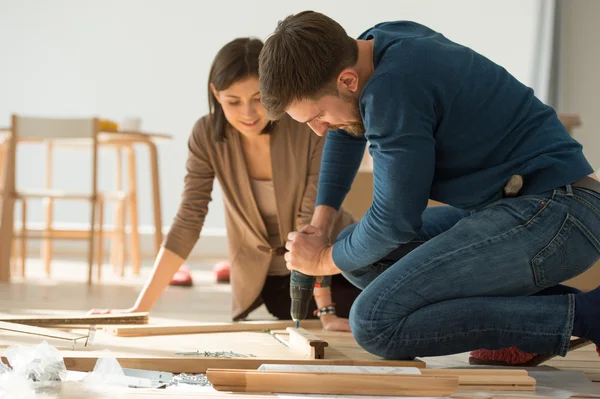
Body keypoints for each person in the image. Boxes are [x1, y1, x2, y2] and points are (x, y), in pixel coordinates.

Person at [257, 11, 600, 361]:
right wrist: (321, 226)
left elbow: (394, 221)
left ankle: (589, 315)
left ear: (347, 81)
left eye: (317, 116)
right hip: (518, 207)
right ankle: (527, 327)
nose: (318, 129)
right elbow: (346, 134)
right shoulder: (374, 46)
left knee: (376, 323)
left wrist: (322, 261)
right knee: (357, 256)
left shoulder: (393, 88)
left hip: (559, 214)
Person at [91, 37, 361, 331]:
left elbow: (309, 225)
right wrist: (138, 310)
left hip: (337, 259)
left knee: (371, 308)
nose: (247, 113)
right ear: (215, 95)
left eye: (258, 98)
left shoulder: (305, 125)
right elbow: (188, 221)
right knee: (297, 310)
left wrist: (327, 312)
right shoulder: (206, 135)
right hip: (275, 280)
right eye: (233, 101)